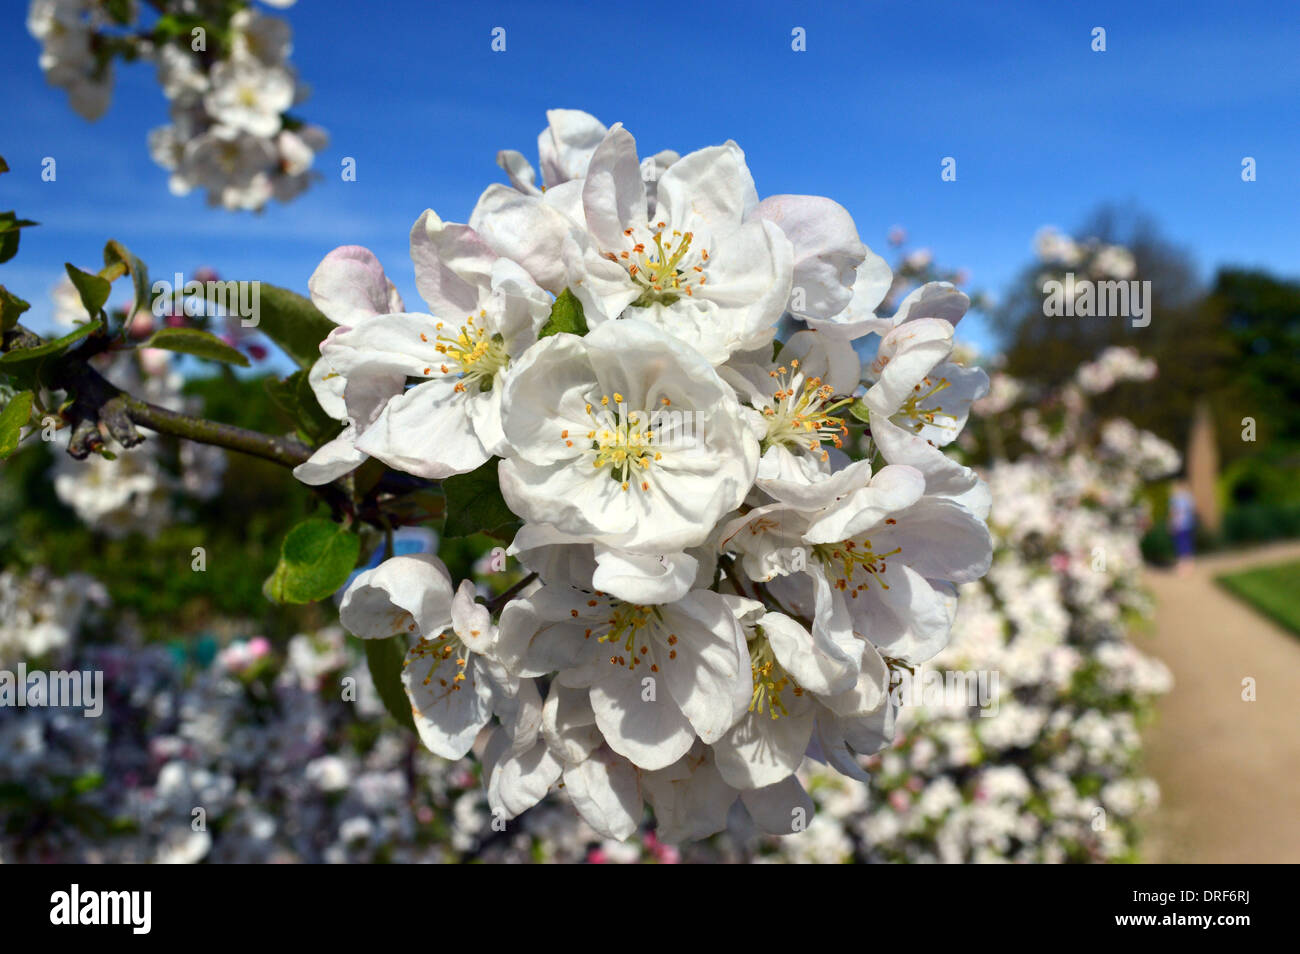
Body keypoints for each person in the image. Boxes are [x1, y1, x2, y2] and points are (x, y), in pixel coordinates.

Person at [1168, 480, 1197, 573]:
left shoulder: (1176, 499)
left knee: (1181, 545)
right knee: (1186, 544)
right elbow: (1192, 510)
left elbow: (1173, 513)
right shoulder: (1188, 498)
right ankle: (1188, 564)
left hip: (1180, 525)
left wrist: (1171, 523)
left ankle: (1184, 565)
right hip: (1187, 524)